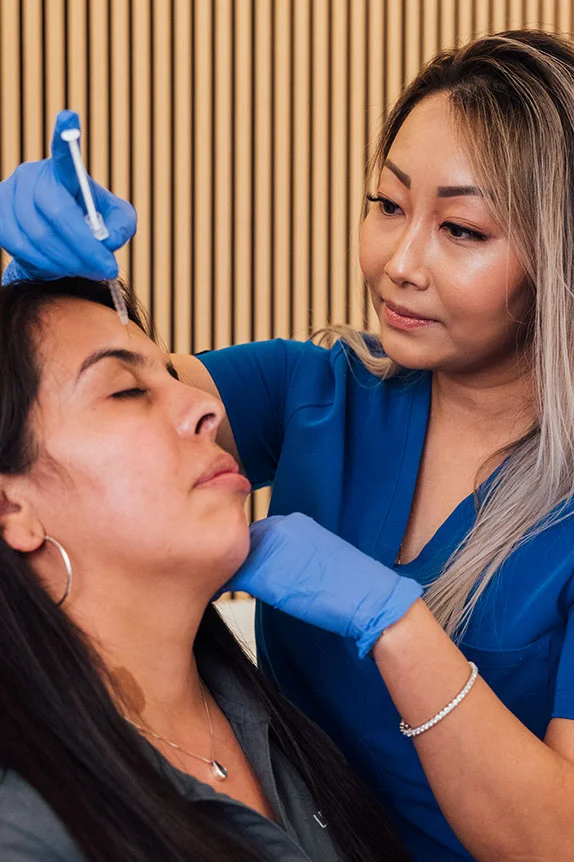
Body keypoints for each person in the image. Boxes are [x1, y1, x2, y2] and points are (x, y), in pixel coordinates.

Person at [3, 26, 574, 860]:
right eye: (387, 205)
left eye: (461, 229)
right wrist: (43, 292)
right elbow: (79, 424)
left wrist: (397, 625)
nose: (399, 262)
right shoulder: (312, 390)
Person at [0, 275, 408, 861]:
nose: (208, 406)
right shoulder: (26, 830)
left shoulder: (272, 719)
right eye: (125, 390)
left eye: (172, 375)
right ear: (11, 508)